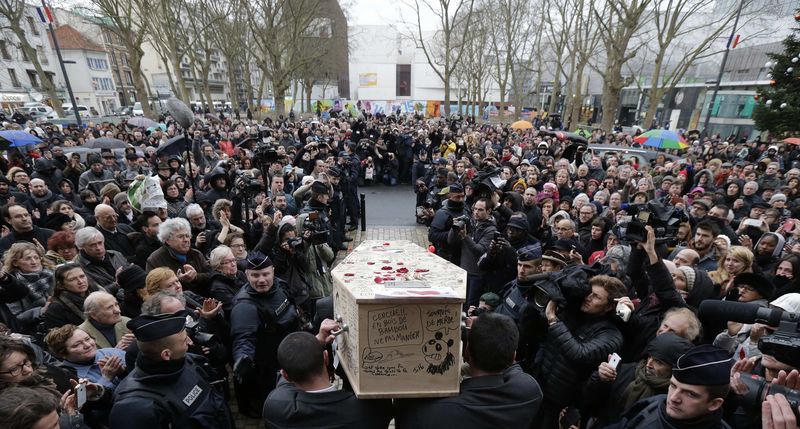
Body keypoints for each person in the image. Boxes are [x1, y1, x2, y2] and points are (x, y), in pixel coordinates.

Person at [395, 313, 542, 429]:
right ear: (513, 356)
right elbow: (514, 368)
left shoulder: (429, 413)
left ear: (467, 352)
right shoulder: (530, 393)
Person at [109, 311, 234, 428]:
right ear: (166, 354)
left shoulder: (191, 361)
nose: (190, 343)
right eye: (185, 340)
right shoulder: (133, 407)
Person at [263, 324, 394, 429]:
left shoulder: (275, 408)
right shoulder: (371, 409)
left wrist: (317, 341)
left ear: (286, 375)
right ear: (326, 358)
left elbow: (283, 382)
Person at [231, 252, 299, 418]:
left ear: (273, 272)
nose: (261, 280)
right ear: (247, 275)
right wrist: (242, 356)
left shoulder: (281, 285)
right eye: (255, 275)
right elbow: (243, 338)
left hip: (290, 353)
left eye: (265, 274)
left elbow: (293, 308)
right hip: (268, 365)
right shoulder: (245, 306)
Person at [582, 333, 694, 426]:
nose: (649, 364)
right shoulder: (627, 371)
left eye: (659, 362)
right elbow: (591, 401)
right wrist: (600, 378)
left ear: (672, 368)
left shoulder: (672, 395)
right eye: (650, 357)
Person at [609, 345, 733, 428]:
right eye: (673, 385)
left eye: (690, 394)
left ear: (714, 404)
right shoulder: (650, 405)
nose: (673, 398)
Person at [146, 218, 213, 295]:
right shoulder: (155, 259)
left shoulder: (196, 254)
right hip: (174, 302)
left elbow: (211, 275)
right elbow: (153, 289)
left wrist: (196, 277)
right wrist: (177, 280)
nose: (186, 240)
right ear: (167, 240)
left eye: (187, 236)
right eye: (180, 237)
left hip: (203, 299)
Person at [39, 263, 101, 334]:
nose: (80, 281)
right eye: (72, 279)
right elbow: (57, 338)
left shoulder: (97, 292)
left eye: (82, 276)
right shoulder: (56, 308)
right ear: (61, 285)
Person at [74, 227, 127, 293]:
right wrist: (117, 283)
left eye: (100, 243)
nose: (98, 248)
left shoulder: (116, 254)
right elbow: (94, 294)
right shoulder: (78, 268)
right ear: (81, 247)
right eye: (92, 245)